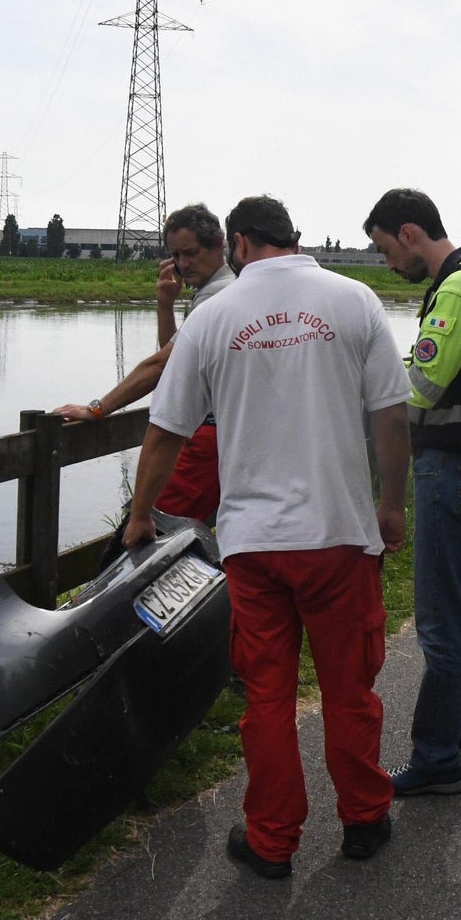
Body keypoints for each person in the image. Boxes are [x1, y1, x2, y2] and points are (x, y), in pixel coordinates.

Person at [123, 195, 411, 878]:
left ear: (241, 244)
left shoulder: (213, 318)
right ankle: (364, 819)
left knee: (268, 697)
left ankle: (272, 838)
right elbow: (392, 417)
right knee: (349, 689)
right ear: (293, 238)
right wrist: (392, 505)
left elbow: (164, 431)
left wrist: (140, 517)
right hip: (340, 534)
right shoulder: (355, 300)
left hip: (254, 545)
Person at [363, 188, 461, 797]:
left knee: (442, 620)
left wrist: (365, 384)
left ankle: (436, 757)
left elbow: (420, 383)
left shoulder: (457, 286)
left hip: (448, 470)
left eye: (386, 247)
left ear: (411, 232)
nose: (389, 263)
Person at [54, 205, 234, 565]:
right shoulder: (215, 291)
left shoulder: (219, 295)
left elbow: (158, 367)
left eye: (191, 253)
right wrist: (165, 305)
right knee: (176, 536)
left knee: (146, 535)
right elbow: (178, 365)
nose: (182, 263)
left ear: (219, 245)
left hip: (208, 439)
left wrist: (96, 408)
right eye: (175, 255)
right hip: (217, 438)